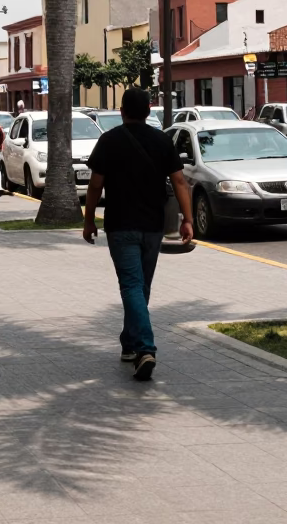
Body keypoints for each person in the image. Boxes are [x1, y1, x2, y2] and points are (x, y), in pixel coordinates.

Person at [83, 87, 194, 382]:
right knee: (140, 287)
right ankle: (130, 344)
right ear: (148, 111)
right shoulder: (161, 140)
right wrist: (188, 220)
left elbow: (95, 185)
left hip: (121, 226)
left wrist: (88, 220)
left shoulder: (109, 140)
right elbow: (180, 182)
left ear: (122, 111)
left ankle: (145, 348)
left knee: (132, 286)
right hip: (153, 227)